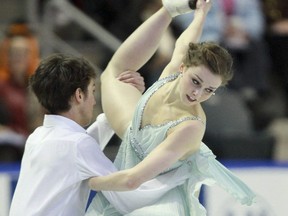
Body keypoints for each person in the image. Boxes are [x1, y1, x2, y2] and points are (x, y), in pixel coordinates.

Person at [86, 0, 255, 215]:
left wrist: (85, 180)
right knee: (113, 73)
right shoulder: (173, 71)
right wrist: (200, 14)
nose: (198, 94)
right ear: (183, 67)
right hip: (133, 136)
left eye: (209, 90)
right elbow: (187, 39)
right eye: (196, 81)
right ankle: (168, 8)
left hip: (153, 194)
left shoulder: (191, 127)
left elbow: (132, 181)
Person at [9, 54, 190, 216]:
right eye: (93, 91)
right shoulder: (77, 145)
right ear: (79, 95)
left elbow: (80, 150)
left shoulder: (38, 137)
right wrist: (181, 173)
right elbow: (128, 194)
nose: (94, 101)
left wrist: (123, 100)